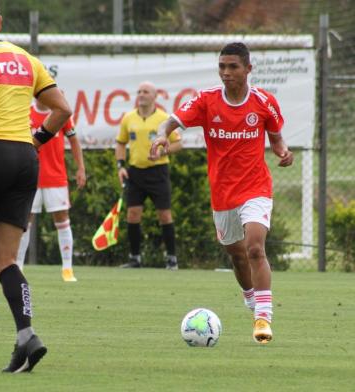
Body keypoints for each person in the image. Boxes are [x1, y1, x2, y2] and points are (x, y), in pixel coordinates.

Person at [150, 42, 293, 343]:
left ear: (248, 69)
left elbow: (277, 139)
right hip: (223, 193)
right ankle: (250, 297)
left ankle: (263, 319)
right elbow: (172, 121)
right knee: (238, 256)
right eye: (222, 67)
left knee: (255, 247)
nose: (226, 73)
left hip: (256, 187)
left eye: (233, 67)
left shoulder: (264, 102)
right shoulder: (206, 101)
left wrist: (283, 152)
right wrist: (163, 135)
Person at [0, 0, 72, 371]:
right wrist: (37, 140)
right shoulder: (26, 58)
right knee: (5, 260)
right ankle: (27, 336)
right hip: (26, 159)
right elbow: (62, 109)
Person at [16, 100, 86, 282]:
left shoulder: (60, 113)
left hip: (56, 178)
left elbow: (74, 140)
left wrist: (81, 169)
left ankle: (67, 269)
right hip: (29, 176)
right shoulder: (25, 111)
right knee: (24, 221)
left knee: (62, 220)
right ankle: (18, 267)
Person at [115, 81, 182, 270]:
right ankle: (135, 258)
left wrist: (161, 153)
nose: (141, 94)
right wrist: (120, 166)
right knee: (133, 214)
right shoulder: (128, 118)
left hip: (158, 172)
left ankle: (171, 259)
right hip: (135, 172)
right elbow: (120, 143)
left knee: (164, 215)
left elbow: (178, 144)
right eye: (139, 91)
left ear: (155, 96)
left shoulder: (164, 118)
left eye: (145, 91)